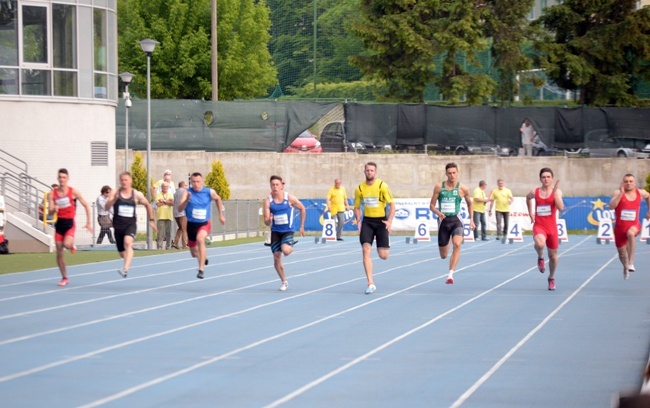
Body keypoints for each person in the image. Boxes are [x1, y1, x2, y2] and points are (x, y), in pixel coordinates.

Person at [429, 163, 475, 285]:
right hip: (443, 222)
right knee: (443, 255)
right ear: (446, 174)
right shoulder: (439, 187)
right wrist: (438, 213)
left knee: (457, 244)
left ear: (457, 173)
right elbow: (431, 206)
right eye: (449, 173)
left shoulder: (463, 189)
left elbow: (470, 204)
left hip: (456, 220)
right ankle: (447, 240)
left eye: (454, 173)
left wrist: (471, 219)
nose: (452, 175)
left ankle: (450, 274)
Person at [354, 162, 395, 294]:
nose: (369, 172)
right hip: (367, 222)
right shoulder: (359, 188)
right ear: (364, 172)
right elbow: (356, 206)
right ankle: (370, 282)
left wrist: (389, 221)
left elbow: (392, 204)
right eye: (367, 170)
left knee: (383, 256)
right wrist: (358, 218)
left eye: (372, 170)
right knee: (366, 249)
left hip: (381, 221)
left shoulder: (382, 186)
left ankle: (385, 241)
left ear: (375, 172)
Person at [105, 172, 157, 278]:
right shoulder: (115, 192)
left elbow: (148, 205)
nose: (124, 182)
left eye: (126, 180)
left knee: (128, 243)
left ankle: (125, 269)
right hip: (118, 226)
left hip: (130, 224)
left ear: (130, 181)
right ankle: (128, 259)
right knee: (122, 253)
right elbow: (106, 207)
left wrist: (151, 220)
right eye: (122, 180)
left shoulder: (136, 194)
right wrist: (113, 200)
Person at [48, 169, 92, 286]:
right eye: (60, 177)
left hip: (70, 223)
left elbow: (87, 205)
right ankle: (64, 277)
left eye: (64, 177)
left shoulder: (73, 192)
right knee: (59, 253)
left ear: (67, 179)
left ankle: (71, 245)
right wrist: (54, 209)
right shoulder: (52, 194)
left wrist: (88, 222)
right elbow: (50, 212)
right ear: (58, 178)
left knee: (66, 244)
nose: (62, 179)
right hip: (59, 224)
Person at [178, 172, 226, 279]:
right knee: (194, 254)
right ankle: (203, 258)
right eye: (193, 182)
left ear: (202, 181)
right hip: (191, 225)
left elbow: (218, 199)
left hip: (204, 223)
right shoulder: (186, 193)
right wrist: (186, 200)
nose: (196, 184)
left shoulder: (209, 192)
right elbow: (179, 209)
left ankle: (201, 270)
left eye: (198, 182)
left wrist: (221, 215)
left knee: (200, 239)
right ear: (190, 182)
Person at [263, 175, 306, 291]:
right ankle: (284, 281)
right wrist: (269, 219)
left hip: (288, 230)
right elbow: (266, 222)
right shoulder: (268, 201)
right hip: (276, 231)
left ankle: (289, 245)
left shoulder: (289, 198)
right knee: (276, 258)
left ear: (282, 185)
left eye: (277, 184)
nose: (275, 187)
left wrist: (302, 226)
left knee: (286, 250)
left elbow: (302, 209)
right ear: (270, 186)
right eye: (273, 185)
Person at [526, 168, 564, 290]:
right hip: (539, 225)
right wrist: (530, 212)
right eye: (543, 177)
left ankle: (551, 277)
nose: (546, 179)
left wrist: (555, 194)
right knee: (540, 244)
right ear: (540, 179)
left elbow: (561, 207)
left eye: (548, 177)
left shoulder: (557, 192)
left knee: (553, 256)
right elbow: (528, 198)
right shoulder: (535, 191)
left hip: (551, 228)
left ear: (552, 179)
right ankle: (540, 256)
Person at [609, 174, 650, 280]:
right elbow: (611, 206)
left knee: (631, 233)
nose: (628, 183)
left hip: (634, 225)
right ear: (623, 183)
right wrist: (621, 194)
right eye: (626, 181)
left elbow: (648, 195)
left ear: (634, 183)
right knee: (622, 254)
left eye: (631, 181)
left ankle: (631, 262)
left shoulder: (640, 193)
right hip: (620, 228)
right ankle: (625, 266)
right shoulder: (617, 193)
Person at [155, 182, 174, 249]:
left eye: (166, 186)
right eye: (164, 186)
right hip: (161, 216)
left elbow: (172, 203)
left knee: (169, 233)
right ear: (161, 187)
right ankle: (159, 247)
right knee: (160, 233)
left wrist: (163, 201)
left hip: (169, 216)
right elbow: (158, 204)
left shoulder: (170, 194)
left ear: (168, 187)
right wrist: (168, 201)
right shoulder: (158, 194)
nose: (165, 188)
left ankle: (168, 246)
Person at [172, 180, 189, 249]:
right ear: (183, 185)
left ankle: (175, 243)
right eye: (185, 185)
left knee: (180, 228)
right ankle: (184, 245)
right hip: (182, 213)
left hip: (176, 213)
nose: (186, 187)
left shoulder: (176, 193)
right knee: (184, 229)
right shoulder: (184, 191)